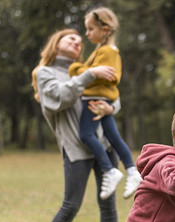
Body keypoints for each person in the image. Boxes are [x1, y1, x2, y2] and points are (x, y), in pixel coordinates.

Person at [31, 28, 124, 222]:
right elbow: (58, 98)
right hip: (75, 147)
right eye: (70, 37)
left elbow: (113, 96)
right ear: (55, 42)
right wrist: (89, 74)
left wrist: (110, 106)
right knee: (70, 205)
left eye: (79, 40)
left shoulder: (86, 68)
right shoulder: (45, 73)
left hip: (104, 144)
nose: (77, 41)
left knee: (108, 205)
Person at [69, 6, 141, 200]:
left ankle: (109, 170)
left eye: (91, 29)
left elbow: (100, 75)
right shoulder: (102, 50)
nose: (87, 33)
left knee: (85, 134)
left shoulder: (107, 52)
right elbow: (92, 70)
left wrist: (77, 68)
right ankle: (132, 171)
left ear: (105, 29)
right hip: (102, 98)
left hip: (95, 98)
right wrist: (87, 69)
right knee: (113, 137)